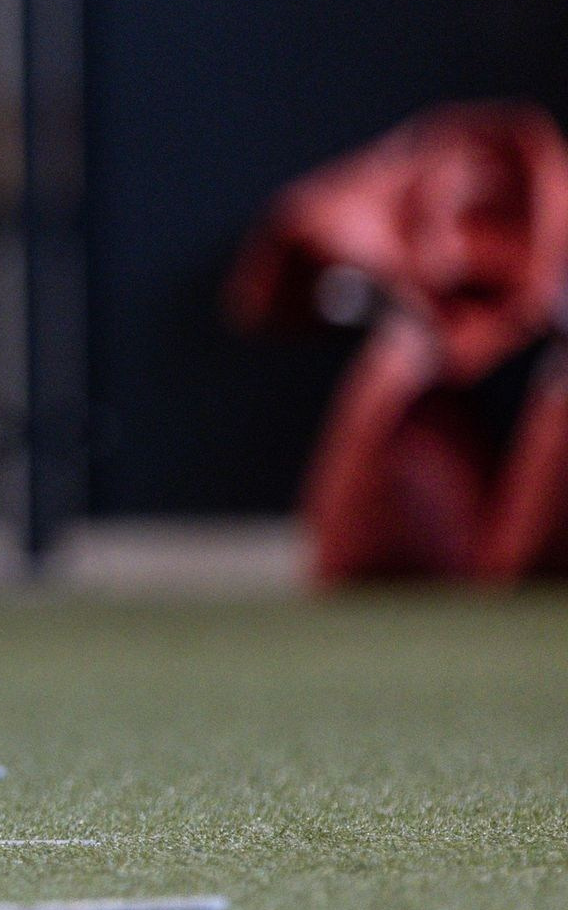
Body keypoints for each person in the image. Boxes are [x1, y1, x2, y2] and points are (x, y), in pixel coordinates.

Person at [227, 101, 568, 586]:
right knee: (399, 366)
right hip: (418, 363)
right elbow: (279, 273)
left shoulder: (545, 197)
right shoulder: (389, 198)